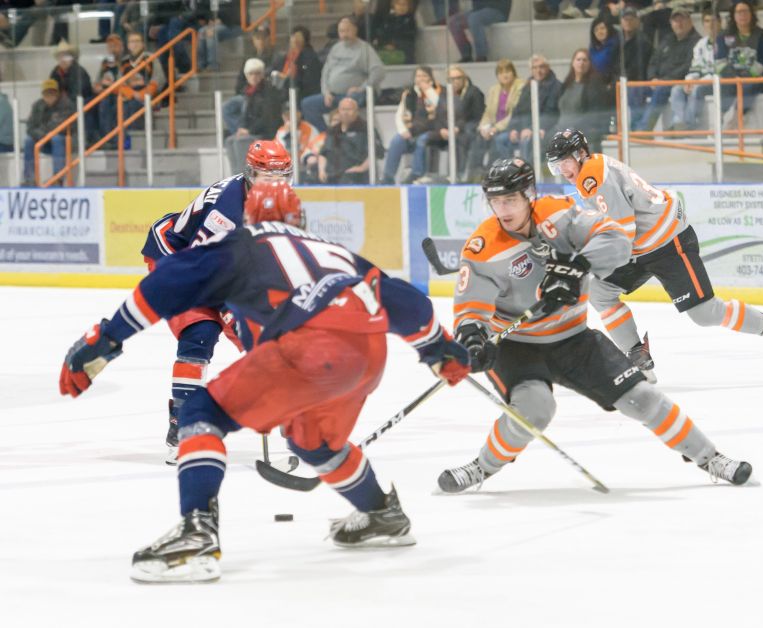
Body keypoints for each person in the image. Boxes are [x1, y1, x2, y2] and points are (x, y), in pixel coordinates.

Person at [59, 180, 471, 583]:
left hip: (311, 348)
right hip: (367, 355)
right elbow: (402, 298)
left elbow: (169, 282)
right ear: (301, 217)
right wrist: (440, 350)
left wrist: (107, 339)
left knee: (202, 412)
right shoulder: (333, 251)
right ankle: (381, 514)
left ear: (248, 216)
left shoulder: (243, 245)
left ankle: (197, 534)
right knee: (312, 440)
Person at [439, 157, 753, 494]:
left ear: (529, 195)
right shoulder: (483, 247)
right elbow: (470, 308)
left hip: (574, 339)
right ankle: (481, 467)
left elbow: (616, 238)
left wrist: (578, 264)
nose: (503, 210)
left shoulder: (560, 214)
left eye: (510, 200)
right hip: (518, 345)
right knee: (535, 408)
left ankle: (710, 458)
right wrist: (472, 338)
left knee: (644, 399)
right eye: (496, 202)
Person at [545, 128, 763, 383]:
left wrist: (583, 261)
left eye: (565, 163)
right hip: (640, 246)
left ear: (581, 154)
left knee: (705, 313)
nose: (563, 172)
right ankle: (637, 355)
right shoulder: (592, 171)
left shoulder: (592, 177)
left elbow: (622, 235)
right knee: (600, 291)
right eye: (556, 168)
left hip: (669, 243)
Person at [138, 140, 293, 462]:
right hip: (174, 258)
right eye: (268, 177)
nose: (276, 185)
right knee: (200, 334)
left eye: (283, 177)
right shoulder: (227, 209)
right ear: (250, 175)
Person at [301, 17, 385, 132]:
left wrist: (362, 88)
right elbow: (325, 73)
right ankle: (328, 136)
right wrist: (326, 92)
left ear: (355, 30)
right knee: (307, 104)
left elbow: (378, 71)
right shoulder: (335, 48)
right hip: (334, 96)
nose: (344, 34)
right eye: (341, 31)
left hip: (356, 95)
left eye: (347, 30)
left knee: (348, 103)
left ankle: (347, 134)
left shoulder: (364, 49)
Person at [634, 8, 700, 132]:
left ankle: (644, 128)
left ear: (690, 22)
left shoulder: (696, 41)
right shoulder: (667, 40)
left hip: (677, 83)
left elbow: (688, 66)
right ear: (671, 23)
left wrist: (663, 80)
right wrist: (652, 77)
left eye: (682, 20)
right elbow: (653, 61)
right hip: (658, 82)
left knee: (661, 89)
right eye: (675, 20)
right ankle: (633, 127)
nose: (679, 24)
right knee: (635, 91)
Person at [381, 66, 448, 184]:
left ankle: (416, 174)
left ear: (431, 78)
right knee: (397, 140)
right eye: (418, 76)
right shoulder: (409, 93)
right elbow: (400, 114)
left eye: (424, 76)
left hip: (433, 130)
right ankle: (388, 178)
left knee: (422, 140)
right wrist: (403, 130)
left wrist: (428, 90)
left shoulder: (439, 90)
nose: (421, 79)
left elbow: (440, 107)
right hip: (413, 130)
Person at [465, 58, 524, 181]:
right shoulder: (494, 89)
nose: (505, 75)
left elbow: (514, 114)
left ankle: (494, 173)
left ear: (513, 73)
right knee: (478, 139)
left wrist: (495, 129)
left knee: (496, 140)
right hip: (494, 127)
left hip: (511, 127)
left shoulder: (520, 87)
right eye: (501, 72)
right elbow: (488, 112)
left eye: (508, 71)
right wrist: (483, 127)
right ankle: (474, 174)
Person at [497, 54, 561, 165]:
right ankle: (508, 170)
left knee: (526, 141)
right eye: (534, 68)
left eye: (541, 67)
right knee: (500, 139)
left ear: (548, 67)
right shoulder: (527, 86)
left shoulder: (556, 86)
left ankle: (527, 174)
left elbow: (551, 113)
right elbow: (517, 111)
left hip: (543, 129)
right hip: (523, 129)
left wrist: (532, 129)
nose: (538, 71)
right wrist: (514, 129)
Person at [716, 1, 763, 128]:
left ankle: (736, 119)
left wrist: (745, 76)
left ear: (752, 14)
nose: (743, 15)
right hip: (731, 79)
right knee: (723, 86)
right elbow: (719, 63)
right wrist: (734, 77)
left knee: (749, 86)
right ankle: (719, 120)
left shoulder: (762, 35)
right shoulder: (723, 36)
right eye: (739, 12)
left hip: (754, 80)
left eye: (746, 11)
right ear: (733, 15)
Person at [224, 58, 284, 174]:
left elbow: (267, 118)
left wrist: (249, 130)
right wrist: (242, 128)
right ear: (247, 76)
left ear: (262, 74)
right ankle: (235, 174)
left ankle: (244, 175)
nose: (254, 77)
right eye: (251, 74)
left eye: (257, 73)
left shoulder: (269, 91)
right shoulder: (249, 92)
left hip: (265, 132)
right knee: (229, 141)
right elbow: (245, 115)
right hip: (253, 131)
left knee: (240, 141)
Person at [669, 11, 720, 131]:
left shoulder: (725, 41)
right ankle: (678, 122)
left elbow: (720, 71)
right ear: (703, 24)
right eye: (707, 21)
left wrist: (698, 82)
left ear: (720, 23)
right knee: (677, 89)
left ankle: (688, 124)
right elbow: (695, 67)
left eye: (714, 21)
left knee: (697, 89)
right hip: (701, 81)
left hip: (718, 82)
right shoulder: (700, 44)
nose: (710, 24)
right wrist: (689, 80)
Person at [555, 49, 610, 152]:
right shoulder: (566, 84)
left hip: (584, 135)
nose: (581, 63)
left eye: (585, 60)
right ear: (573, 63)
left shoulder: (595, 85)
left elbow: (595, 114)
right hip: (562, 133)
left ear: (590, 64)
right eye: (578, 59)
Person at [318, 97, 382, 184]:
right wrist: (321, 170)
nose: (345, 112)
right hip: (332, 173)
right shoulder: (333, 130)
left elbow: (376, 152)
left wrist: (362, 168)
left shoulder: (366, 129)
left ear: (357, 111)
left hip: (355, 175)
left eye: (349, 109)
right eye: (343, 109)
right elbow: (324, 153)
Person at [23, 79, 74, 186]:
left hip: (64, 142)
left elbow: (61, 127)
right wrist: (42, 135)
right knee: (28, 141)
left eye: (52, 93)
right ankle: (29, 178)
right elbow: (30, 126)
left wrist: (43, 132)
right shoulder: (37, 105)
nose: (49, 96)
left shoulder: (66, 104)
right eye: (47, 93)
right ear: (43, 94)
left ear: (57, 93)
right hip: (44, 140)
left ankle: (58, 178)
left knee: (56, 138)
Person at [223, 29, 275, 136]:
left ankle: (247, 133)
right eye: (257, 39)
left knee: (246, 105)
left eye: (262, 39)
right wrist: (241, 91)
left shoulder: (273, 56)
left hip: (260, 92)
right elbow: (241, 78)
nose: (259, 42)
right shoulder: (249, 57)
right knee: (227, 107)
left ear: (267, 40)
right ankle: (239, 131)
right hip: (245, 92)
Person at [447, 65, 485, 175]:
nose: (455, 81)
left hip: (470, 126)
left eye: (458, 78)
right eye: (451, 79)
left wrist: (458, 127)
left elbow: (478, 116)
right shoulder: (446, 94)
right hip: (450, 127)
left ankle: (461, 173)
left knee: (462, 138)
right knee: (426, 138)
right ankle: (431, 174)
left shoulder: (474, 92)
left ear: (464, 78)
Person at [619, 8, 652, 131]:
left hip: (638, 81)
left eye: (631, 19)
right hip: (620, 80)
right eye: (625, 19)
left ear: (637, 21)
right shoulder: (617, 40)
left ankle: (635, 128)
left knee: (635, 90)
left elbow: (640, 68)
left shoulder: (643, 41)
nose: (628, 22)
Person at [270, 26, 322, 104]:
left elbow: (308, 82)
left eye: (298, 37)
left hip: (298, 93)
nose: (295, 40)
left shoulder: (309, 57)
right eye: (293, 37)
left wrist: (287, 79)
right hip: (282, 90)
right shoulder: (285, 56)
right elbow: (273, 69)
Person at [197, 0, 242, 71]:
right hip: (216, 25)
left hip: (233, 26)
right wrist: (210, 20)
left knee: (212, 33)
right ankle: (201, 65)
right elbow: (204, 9)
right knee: (201, 31)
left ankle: (213, 64)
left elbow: (236, 14)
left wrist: (221, 20)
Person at [371, 0, 417, 64]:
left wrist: (394, 45)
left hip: (403, 54)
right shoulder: (388, 19)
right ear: (393, 5)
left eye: (404, 4)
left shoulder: (410, 22)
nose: (401, 7)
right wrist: (382, 43)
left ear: (409, 6)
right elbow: (382, 34)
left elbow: (408, 38)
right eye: (398, 4)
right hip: (386, 51)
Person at [588, 16, 620, 85]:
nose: (599, 32)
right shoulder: (592, 48)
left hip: (611, 84)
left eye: (602, 28)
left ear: (609, 29)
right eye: (596, 30)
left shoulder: (616, 45)